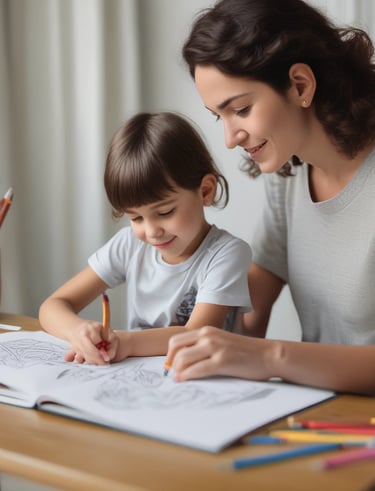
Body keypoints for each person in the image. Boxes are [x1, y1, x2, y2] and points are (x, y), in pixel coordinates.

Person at [165, 0, 375, 395]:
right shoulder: (291, 173)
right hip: (317, 414)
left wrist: (268, 358)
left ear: (300, 85)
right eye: (219, 116)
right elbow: (246, 313)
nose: (229, 139)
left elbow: (255, 348)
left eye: (240, 110)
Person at [39, 111, 252, 365]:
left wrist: (125, 342)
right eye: (136, 218)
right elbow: (52, 306)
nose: (151, 232)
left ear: (205, 191)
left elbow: (195, 335)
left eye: (165, 212)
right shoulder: (129, 244)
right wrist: (78, 331)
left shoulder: (227, 253)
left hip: (206, 382)